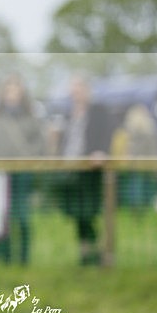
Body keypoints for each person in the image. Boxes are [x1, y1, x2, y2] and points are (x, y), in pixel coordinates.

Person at [0, 74, 46, 265]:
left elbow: (39, 143)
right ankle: (5, 256)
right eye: (8, 89)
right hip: (1, 174)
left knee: (23, 215)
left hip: (23, 173)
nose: (11, 94)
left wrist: (25, 157)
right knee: (4, 215)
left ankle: (24, 258)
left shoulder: (31, 117)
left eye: (15, 89)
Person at [49, 74, 113, 266]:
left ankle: (96, 253)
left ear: (86, 90)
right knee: (77, 214)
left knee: (88, 213)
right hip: (70, 171)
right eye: (72, 90)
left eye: (78, 89)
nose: (75, 94)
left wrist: (101, 152)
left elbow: (107, 133)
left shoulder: (98, 111)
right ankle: (86, 252)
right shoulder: (69, 114)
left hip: (90, 170)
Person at [111, 103, 157, 215]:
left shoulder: (126, 132)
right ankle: (139, 214)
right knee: (141, 194)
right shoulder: (149, 132)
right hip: (144, 169)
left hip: (133, 169)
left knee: (135, 193)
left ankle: (136, 214)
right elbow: (153, 152)